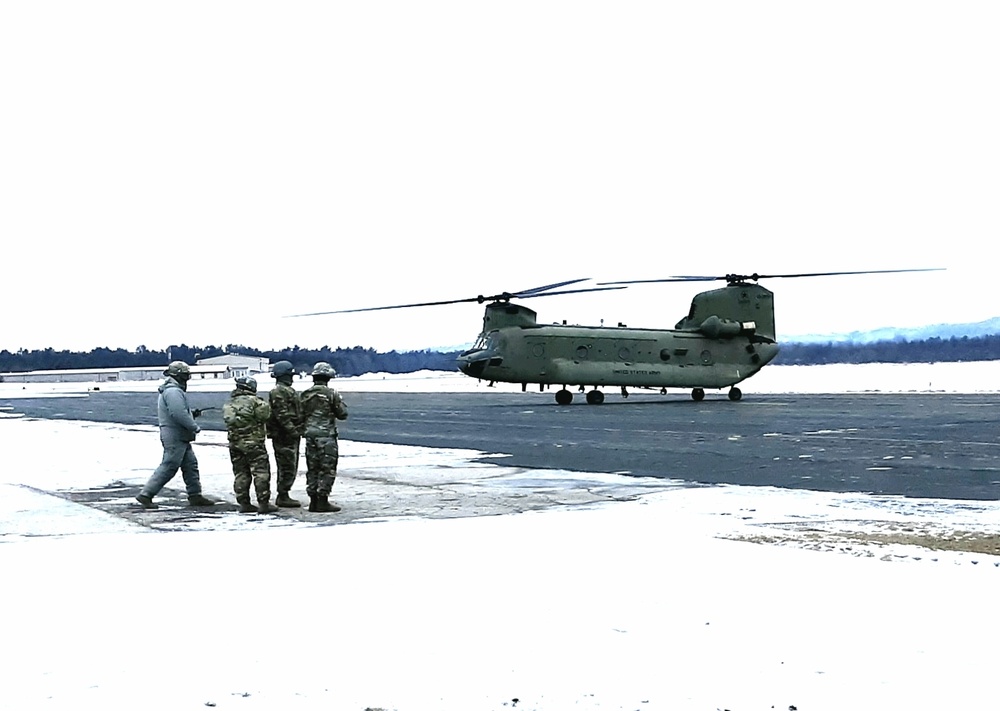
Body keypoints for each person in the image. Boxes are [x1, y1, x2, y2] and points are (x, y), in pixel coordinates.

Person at [136, 361, 218, 509]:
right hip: (175, 435)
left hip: (178, 434)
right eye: (186, 376)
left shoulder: (172, 390)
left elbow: (177, 412)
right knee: (169, 466)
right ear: (179, 375)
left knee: (190, 465)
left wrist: (191, 414)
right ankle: (146, 494)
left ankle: (195, 495)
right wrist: (194, 426)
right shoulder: (173, 391)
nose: (187, 379)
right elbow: (178, 414)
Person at [223, 376, 278, 514]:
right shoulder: (257, 402)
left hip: (235, 443)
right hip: (254, 443)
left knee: (240, 473)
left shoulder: (229, 404)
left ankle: (244, 503)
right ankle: (263, 503)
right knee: (260, 473)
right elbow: (265, 417)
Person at [301, 361, 348, 512]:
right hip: (326, 436)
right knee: (327, 468)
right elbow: (342, 414)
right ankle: (322, 499)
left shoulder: (305, 394)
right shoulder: (331, 394)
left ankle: (313, 499)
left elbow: (299, 415)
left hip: (310, 436)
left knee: (313, 468)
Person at [267, 360, 303, 507]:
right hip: (284, 434)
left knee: (290, 464)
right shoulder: (279, 391)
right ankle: (283, 495)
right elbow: (281, 414)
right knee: (287, 464)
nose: (292, 378)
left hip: (288, 433)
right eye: (290, 375)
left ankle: (284, 492)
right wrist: (292, 430)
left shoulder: (286, 390)